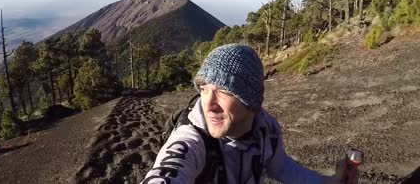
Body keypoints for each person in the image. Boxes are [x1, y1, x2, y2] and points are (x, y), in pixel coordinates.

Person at [141, 43, 358, 184]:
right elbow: (167, 172)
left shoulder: (266, 129)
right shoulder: (191, 141)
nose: (208, 104)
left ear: (251, 100)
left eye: (223, 92)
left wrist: (329, 181)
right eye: (204, 89)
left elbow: (280, 166)